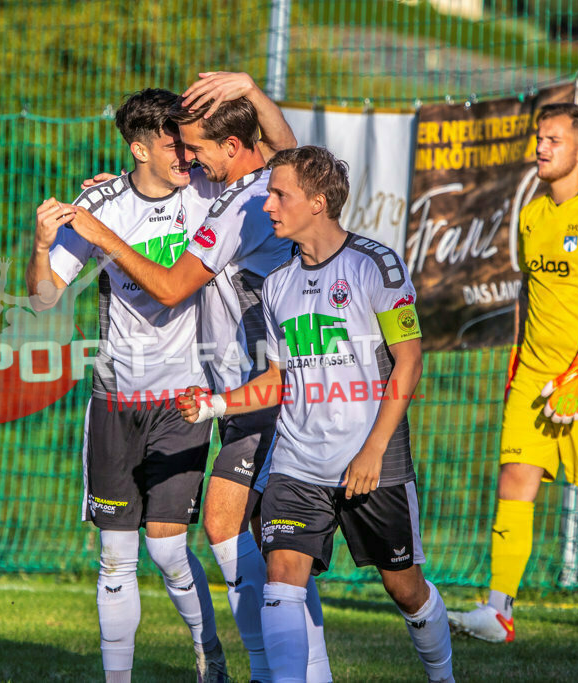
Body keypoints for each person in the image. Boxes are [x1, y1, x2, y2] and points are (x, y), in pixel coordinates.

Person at [67, 72, 331, 682]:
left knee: (235, 530)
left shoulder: (248, 204)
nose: (188, 157)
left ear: (233, 148)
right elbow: (275, 153)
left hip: (272, 388)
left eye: (195, 148)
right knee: (264, 545)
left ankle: (284, 671)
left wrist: (101, 231)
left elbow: (168, 286)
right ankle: (288, 670)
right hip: (236, 391)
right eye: (180, 147)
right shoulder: (227, 184)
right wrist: (122, 194)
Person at [177, 146, 454, 683]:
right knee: (282, 581)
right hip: (296, 462)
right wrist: (216, 404)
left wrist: (373, 450)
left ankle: (442, 676)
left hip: (371, 459)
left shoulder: (375, 264)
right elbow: (281, 378)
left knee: (405, 587)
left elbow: (410, 360)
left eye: (280, 195)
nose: (269, 206)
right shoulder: (277, 285)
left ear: (319, 203)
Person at [27, 87, 232, 683]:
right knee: (115, 558)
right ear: (139, 147)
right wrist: (44, 246)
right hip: (116, 400)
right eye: (172, 141)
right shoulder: (103, 204)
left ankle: (209, 655)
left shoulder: (206, 193)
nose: (185, 151)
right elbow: (43, 299)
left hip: (182, 398)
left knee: (168, 549)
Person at [448, 103, 578, 642]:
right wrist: (517, 368)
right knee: (514, 479)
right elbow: (527, 299)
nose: (541, 147)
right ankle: (498, 610)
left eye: (553, 139)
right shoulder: (532, 214)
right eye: (539, 137)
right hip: (534, 376)